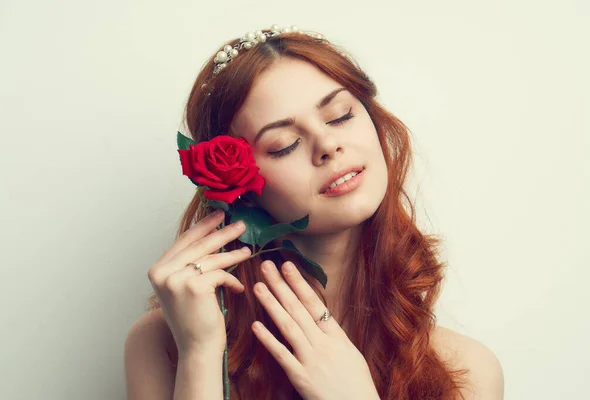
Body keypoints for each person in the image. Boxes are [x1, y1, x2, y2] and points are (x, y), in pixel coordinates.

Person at [124, 25, 504, 400]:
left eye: (340, 116)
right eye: (284, 144)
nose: (327, 144)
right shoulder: (164, 345)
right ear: (241, 190)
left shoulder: (467, 372)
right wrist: (201, 353)